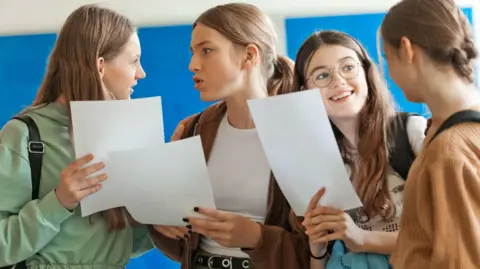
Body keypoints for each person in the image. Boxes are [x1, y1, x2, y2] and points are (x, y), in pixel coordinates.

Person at [148, 3, 309, 269]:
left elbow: (324, 249)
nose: (192, 65)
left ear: (249, 55)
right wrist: (160, 219)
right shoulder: (193, 130)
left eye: (206, 51)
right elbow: (180, 247)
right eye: (193, 52)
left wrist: (257, 238)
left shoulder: (301, 130)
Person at [0, 4, 152, 269]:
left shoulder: (126, 137)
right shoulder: (23, 136)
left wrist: (163, 219)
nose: (141, 73)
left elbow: (125, 244)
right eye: (134, 61)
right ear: (100, 66)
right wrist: (58, 202)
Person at [292, 30, 427, 268]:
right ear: (305, 92)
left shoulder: (411, 132)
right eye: (322, 75)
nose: (338, 81)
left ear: (366, 73)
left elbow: (454, 233)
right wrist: (318, 247)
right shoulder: (315, 163)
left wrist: (362, 239)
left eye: (347, 67)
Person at [380, 0, 480, 268]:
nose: (389, 73)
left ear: (406, 49)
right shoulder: (456, 132)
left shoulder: (449, 151)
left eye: (388, 59)